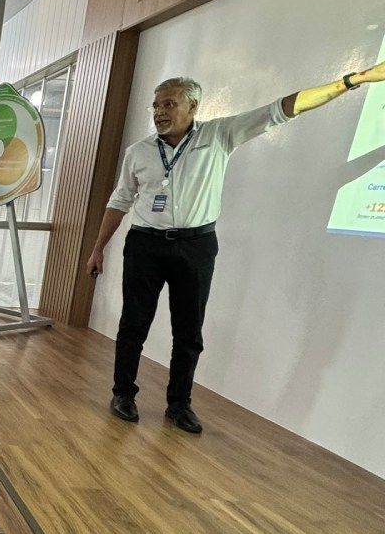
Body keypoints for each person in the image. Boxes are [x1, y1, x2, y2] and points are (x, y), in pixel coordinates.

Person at [88, 61, 385, 433]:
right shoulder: (139, 152)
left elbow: (280, 110)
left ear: (193, 106)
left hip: (195, 247)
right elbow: (119, 200)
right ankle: (123, 394)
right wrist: (98, 248)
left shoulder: (220, 134)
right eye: (156, 105)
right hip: (145, 245)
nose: (160, 112)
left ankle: (179, 405)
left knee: (189, 331)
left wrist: (349, 81)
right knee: (133, 324)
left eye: (169, 104)